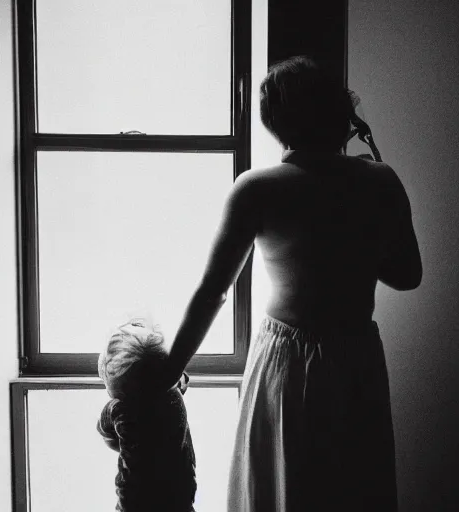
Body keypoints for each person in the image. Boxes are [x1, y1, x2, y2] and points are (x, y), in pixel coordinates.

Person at [161, 56, 422, 511]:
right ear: (341, 115)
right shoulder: (379, 181)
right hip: (354, 355)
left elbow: (213, 291)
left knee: (284, 486)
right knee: (353, 489)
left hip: (286, 355)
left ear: (273, 122)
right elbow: (407, 276)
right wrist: (366, 217)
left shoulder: (257, 188)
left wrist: (169, 370)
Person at [97, 317, 197, 512]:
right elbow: (182, 378)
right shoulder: (173, 393)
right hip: (180, 498)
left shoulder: (119, 410)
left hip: (136, 504)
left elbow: (106, 434)